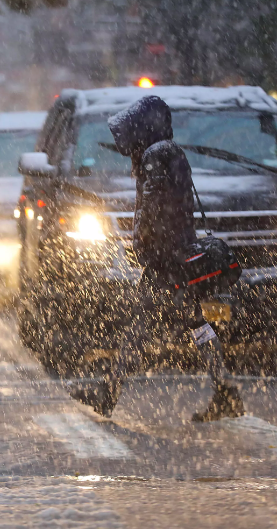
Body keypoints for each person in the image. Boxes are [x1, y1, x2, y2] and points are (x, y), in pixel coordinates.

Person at [70, 96, 245, 421]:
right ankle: (226, 391)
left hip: (167, 261)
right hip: (179, 254)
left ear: (142, 127)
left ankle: (110, 392)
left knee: (139, 328)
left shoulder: (155, 155)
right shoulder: (168, 151)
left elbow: (154, 210)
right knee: (197, 325)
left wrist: (150, 251)